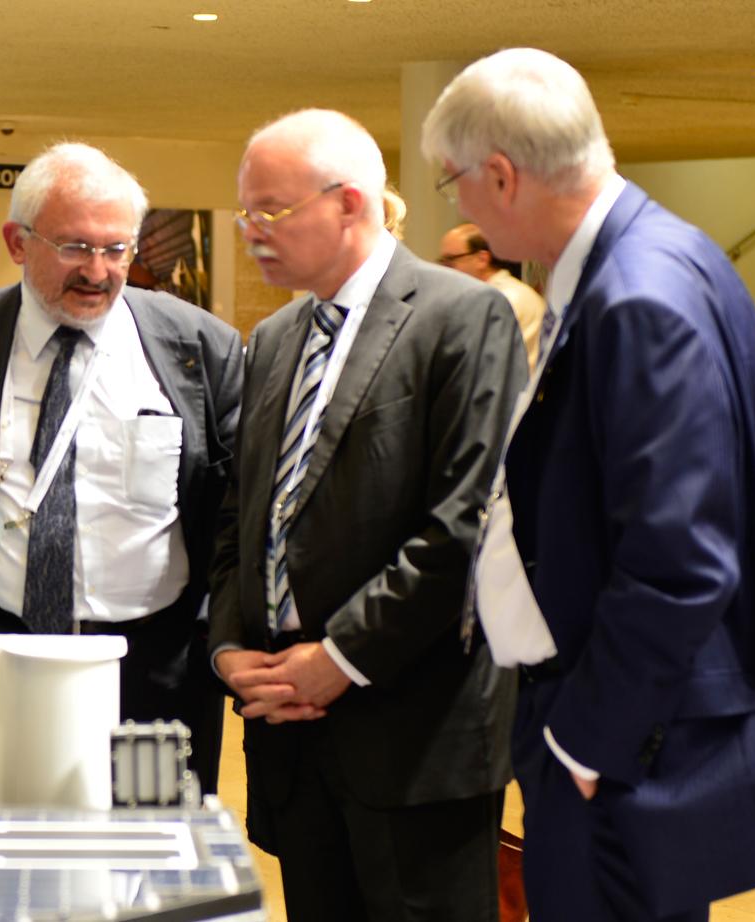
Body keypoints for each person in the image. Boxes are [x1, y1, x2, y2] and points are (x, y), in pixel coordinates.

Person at [425, 48, 755, 921]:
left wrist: (586, 740)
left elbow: (681, 562)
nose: (458, 208)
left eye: (454, 183)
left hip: (623, 743)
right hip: (619, 728)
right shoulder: (649, 258)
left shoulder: (636, 294)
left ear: (502, 175)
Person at [207, 109, 525, 921]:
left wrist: (340, 657)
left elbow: (461, 526)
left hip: (413, 735)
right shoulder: (274, 337)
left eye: (269, 211)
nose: (250, 232)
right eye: (245, 212)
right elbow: (243, 515)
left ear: (349, 202)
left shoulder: (462, 317)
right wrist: (231, 646)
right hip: (290, 735)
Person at [0, 142, 242, 803]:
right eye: (74, 247)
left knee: (147, 860)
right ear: (17, 242)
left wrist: (212, 635)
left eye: (116, 249)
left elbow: (236, 512)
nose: (98, 270)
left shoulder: (200, 347)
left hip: (153, 673)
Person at [439, 222, 548, 370]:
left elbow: (478, 365)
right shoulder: (496, 295)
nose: (444, 270)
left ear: (482, 259)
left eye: (451, 261)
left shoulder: (502, 299)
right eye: (442, 262)